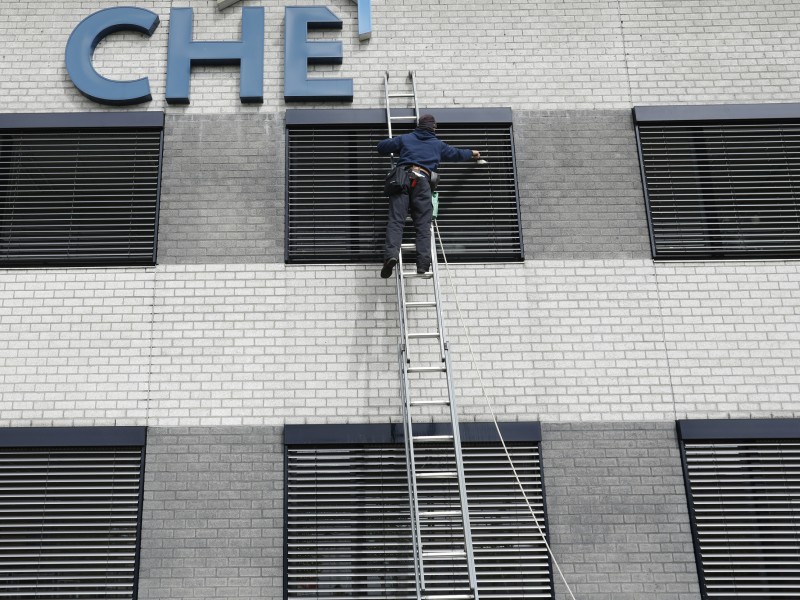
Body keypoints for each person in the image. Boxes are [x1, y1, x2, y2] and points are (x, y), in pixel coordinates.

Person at [376, 114, 480, 278]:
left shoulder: (406, 139)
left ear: (419, 126)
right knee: (423, 225)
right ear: (433, 128)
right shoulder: (438, 145)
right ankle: (423, 266)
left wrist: (397, 145)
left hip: (402, 179)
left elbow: (381, 147)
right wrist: (472, 153)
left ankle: (391, 256)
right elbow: (457, 154)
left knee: (396, 221)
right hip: (422, 182)